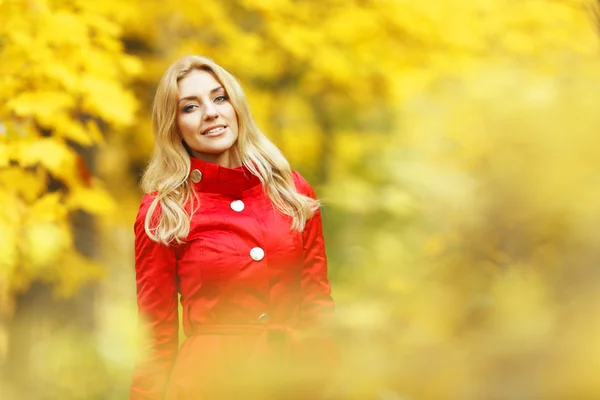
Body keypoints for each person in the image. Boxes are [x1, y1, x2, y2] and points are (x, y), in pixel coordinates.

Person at [130, 55, 337, 400]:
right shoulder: (164, 211)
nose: (211, 112)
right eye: (190, 107)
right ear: (174, 125)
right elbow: (156, 336)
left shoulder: (292, 191)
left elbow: (317, 304)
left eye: (219, 97)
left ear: (236, 107)